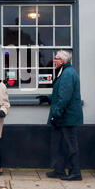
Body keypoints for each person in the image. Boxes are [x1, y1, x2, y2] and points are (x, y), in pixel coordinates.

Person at [37, 50, 83, 181]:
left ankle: (75, 173)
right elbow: (59, 94)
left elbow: (65, 98)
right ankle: (59, 170)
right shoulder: (64, 72)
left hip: (67, 117)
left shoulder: (68, 74)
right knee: (58, 144)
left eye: (56, 59)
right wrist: (48, 98)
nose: (54, 61)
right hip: (63, 117)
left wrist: (56, 114)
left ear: (62, 61)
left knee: (70, 145)